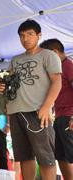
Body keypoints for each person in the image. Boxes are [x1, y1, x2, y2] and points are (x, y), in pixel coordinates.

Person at [7, 19, 62, 180]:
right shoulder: (15, 59)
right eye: (22, 35)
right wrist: (4, 88)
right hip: (15, 111)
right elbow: (11, 84)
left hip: (38, 112)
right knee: (24, 157)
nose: (26, 39)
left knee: (46, 158)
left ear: (39, 35)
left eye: (30, 34)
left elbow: (57, 82)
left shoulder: (48, 55)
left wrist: (47, 107)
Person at [40, 38, 73, 180]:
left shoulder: (68, 65)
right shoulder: (57, 69)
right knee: (60, 155)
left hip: (69, 116)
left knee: (71, 155)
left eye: (47, 56)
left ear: (54, 52)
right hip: (59, 117)